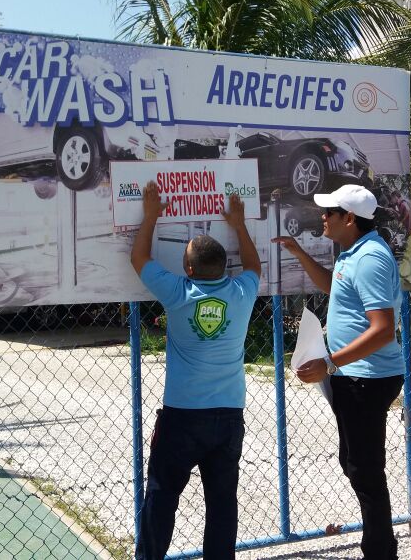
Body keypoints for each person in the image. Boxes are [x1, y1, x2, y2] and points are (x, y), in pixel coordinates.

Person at [272, 184, 404, 560]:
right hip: (354, 376)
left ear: (349, 219)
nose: (323, 218)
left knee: (365, 470)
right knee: (356, 464)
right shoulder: (353, 253)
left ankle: (380, 551)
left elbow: (383, 328)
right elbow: (335, 287)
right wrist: (299, 253)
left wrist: (330, 364)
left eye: (329, 212)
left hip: (368, 377)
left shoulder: (370, 259)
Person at [131, 182, 261, 560]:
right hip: (228, 415)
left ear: (188, 269)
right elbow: (253, 265)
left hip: (183, 417)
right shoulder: (241, 293)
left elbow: (139, 259)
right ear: (224, 267)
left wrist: (151, 215)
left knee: (162, 495)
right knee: (222, 503)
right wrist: (238, 224)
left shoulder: (178, 293)